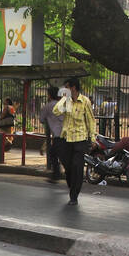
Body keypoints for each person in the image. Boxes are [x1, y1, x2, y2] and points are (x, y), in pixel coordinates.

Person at [53, 76, 97, 205]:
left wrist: (92, 138)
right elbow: (56, 111)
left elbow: (91, 120)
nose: (64, 90)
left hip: (80, 139)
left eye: (66, 87)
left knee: (77, 167)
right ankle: (72, 186)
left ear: (73, 87)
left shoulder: (85, 101)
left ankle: (74, 196)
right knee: (68, 167)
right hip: (66, 139)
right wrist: (64, 98)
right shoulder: (66, 102)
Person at [39, 85, 65, 181]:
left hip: (58, 134)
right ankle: (58, 174)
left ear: (49, 95)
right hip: (67, 133)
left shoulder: (47, 106)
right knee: (59, 153)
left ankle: (57, 174)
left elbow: (41, 119)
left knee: (53, 154)